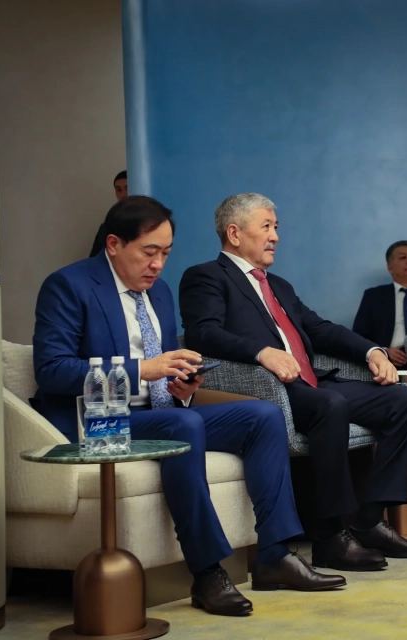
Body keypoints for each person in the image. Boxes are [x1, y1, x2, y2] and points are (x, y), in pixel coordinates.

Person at [32, 196, 345, 617]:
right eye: (149, 252)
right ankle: (207, 571)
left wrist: (181, 385)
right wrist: (142, 370)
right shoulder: (69, 285)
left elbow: (165, 371)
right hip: (98, 420)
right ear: (114, 244)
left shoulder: (159, 292)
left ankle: (274, 554)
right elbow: (52, 370)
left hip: (158, 413)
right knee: (183, 426)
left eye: (166, 253)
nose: (158, 264)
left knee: (262, 416)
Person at [179, 192, 407, 572]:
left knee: (403, 400)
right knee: (331, 405)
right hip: (267, 390)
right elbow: (202, 333)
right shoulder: (206, 277)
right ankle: (330, 536)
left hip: (311, 383)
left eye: (276, 227)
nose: (275, 236)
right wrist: (261, 352)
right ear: (234, 233)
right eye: (266, 227)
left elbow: (320, 329)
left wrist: (373, 351)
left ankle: (369, 520)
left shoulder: (278, 284)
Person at [352, 240, 407, 368]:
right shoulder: (374, 296)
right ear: (390, 267)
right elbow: (359, 337)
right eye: (403, 257)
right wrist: (383, 351)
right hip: (389, 363)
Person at [89, 170, 128, 257]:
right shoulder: (108, 226)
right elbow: (95, 258)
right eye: (119, 190)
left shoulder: (151, 222)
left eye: (128, 188)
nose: (124, 194)